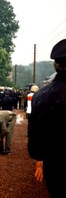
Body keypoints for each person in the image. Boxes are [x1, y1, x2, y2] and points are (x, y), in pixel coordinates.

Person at [28, 39, 66, 197]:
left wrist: (39, 160)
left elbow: (35, 133)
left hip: (55, 165)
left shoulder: (41, 96)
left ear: (55, 66)